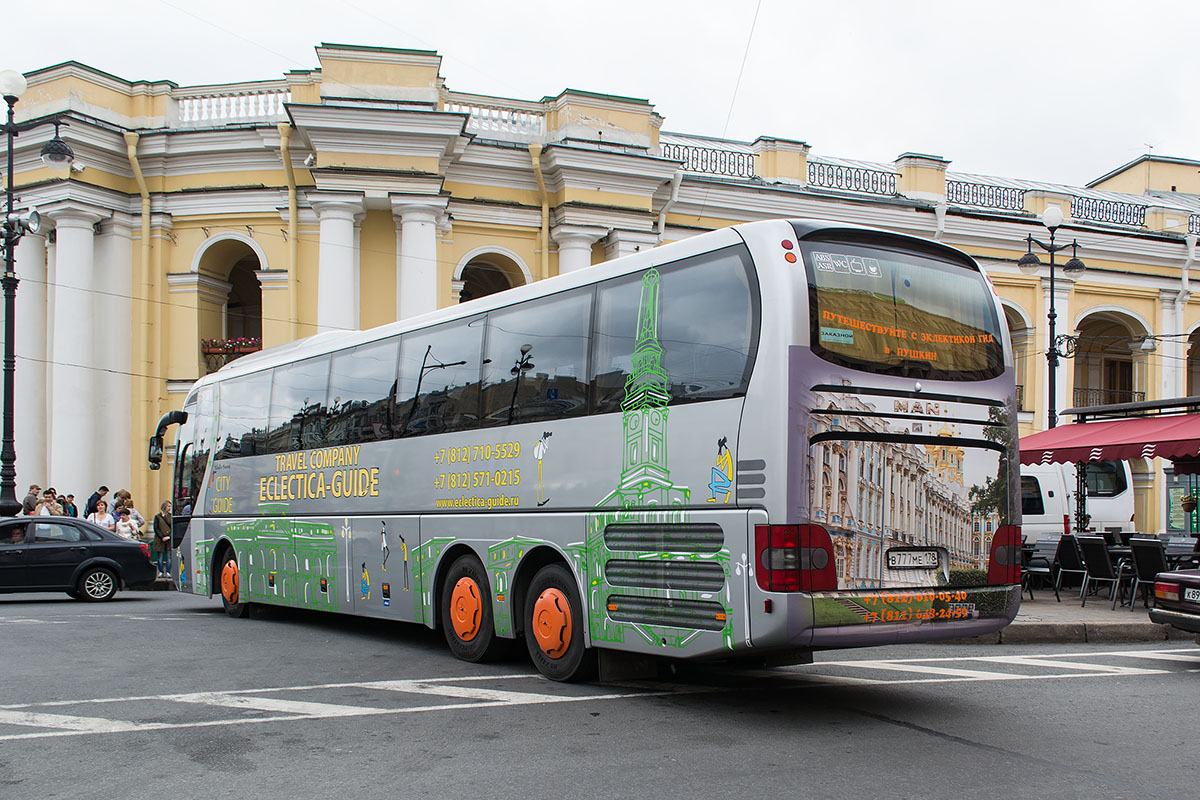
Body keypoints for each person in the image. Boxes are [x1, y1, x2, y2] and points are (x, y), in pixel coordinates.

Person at [153, 501, 172, 579]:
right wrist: (162, 537)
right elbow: (156, 528)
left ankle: (168, 571)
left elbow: (173, 527)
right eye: (168, 506)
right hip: (160, 539)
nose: (169, 508)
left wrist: (169, 536)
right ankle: (160, 571)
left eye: (170, 506)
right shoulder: (157, 517)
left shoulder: (171, 516)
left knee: (169, 556)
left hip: (169, 539)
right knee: (160, 557)